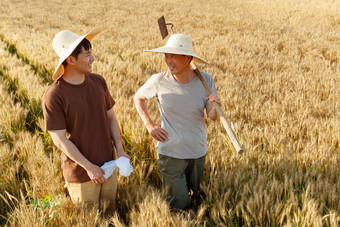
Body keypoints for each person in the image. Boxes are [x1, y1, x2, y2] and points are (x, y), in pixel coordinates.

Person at [42, 28, 129, 210]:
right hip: (81, 175)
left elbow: (111, 117)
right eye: (87, 54)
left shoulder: (98, 81)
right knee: (89, 220)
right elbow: (59, 140)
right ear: (71, 60)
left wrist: (119, 149)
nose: (93, 59)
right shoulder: (54, 96)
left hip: (109, 165)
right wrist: (89, 167)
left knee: (110, 216)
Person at [134, 34, 221, 210]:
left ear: (188, 58)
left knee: (196, 199)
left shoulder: (205, 80)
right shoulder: (159, 80)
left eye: (172, 56)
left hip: (197, 151)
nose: (168, 60)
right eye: (166, 55)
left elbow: (212, 116)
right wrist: (149, 125)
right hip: (171, 153)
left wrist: (215, 105)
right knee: (179, 205)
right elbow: (138, 97)